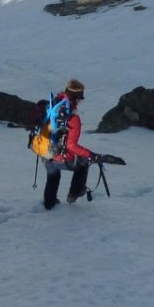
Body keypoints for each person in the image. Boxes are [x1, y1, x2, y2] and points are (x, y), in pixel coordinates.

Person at [43, 78, 100, 209]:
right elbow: (71, 145)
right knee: (84, 163)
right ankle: (72, 197)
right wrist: (90, 155)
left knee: (53, 174)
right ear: (77, 98)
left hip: (46, 153)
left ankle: (49, 204)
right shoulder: (73, 118)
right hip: (60, 156)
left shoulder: (54, 104)